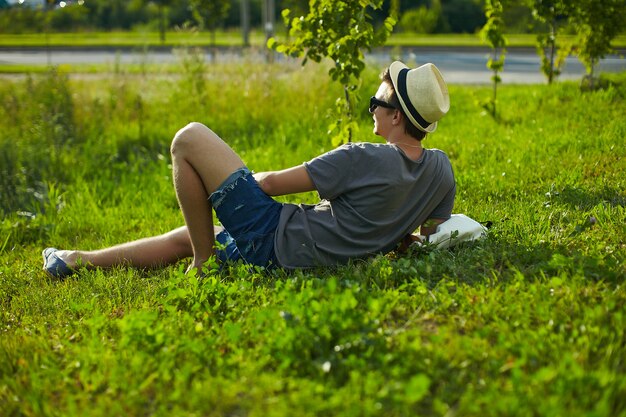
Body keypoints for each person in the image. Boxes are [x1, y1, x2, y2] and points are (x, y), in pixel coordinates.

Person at [42, 61, 455, 278]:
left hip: (276, 242)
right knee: (189, 234)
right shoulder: (441, 170)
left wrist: (237, 180)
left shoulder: (362, 157)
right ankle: (76, 260)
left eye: (376, 102)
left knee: (189, 138)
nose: (371, 108)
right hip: (304, 246)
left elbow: (273, 185)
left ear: (396, 117)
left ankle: (204, 264)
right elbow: (429, 232)